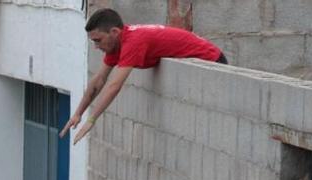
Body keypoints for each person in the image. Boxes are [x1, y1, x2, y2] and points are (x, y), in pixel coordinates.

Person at [60, 8, 226, 145]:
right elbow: (99, 80)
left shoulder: (134, 42)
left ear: (114, 32)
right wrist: (78, 113)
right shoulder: (117, 44)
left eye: (98, 40)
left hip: (212, 61)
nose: (96, 46)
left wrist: (91, 120)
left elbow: (114, 86)